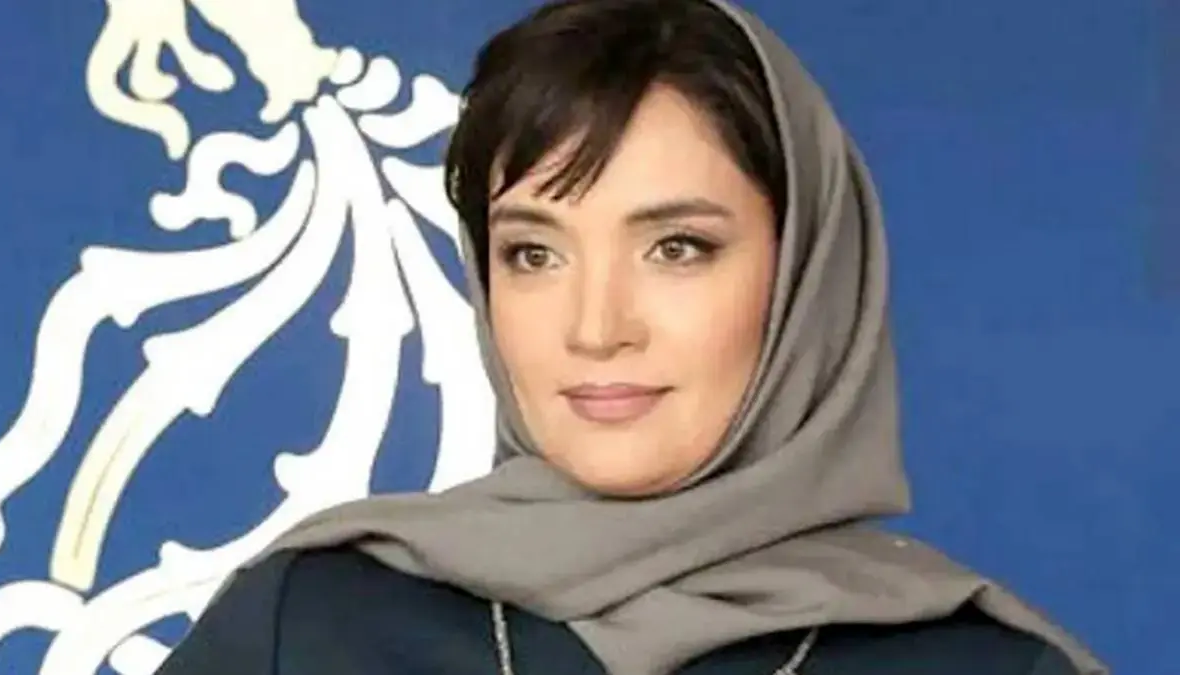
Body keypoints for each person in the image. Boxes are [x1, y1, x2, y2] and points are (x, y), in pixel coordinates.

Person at [153, 0, 1107, 673]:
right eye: (534, 253)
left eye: (676, 247)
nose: (595, 326)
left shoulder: (980, 663)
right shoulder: (306, 629)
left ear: (805, 272)